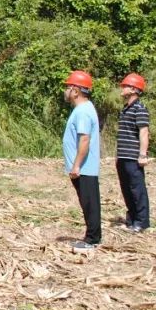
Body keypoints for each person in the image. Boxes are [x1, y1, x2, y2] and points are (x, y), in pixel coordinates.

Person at [62, 70, 102, 251]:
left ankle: (92, 239)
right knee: (87, 201)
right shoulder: (82, 109)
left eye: (68, 87)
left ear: (76, 91)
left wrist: (76, 165)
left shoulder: (83, 111)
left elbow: (84, 139)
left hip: (84, 168)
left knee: (89, 202)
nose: (66, 91)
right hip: (82, 168)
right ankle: (91, 236)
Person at [116, 73, 151, 233]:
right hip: (123, 156)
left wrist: (142, 154)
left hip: (133, 157)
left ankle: (142, 222)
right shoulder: (125, 109)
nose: (122, 88)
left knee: (137, 189)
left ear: (133, 89)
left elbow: (144, 132)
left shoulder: (140, 108)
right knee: (126, 189)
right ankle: (131, 220)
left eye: (125, 86)